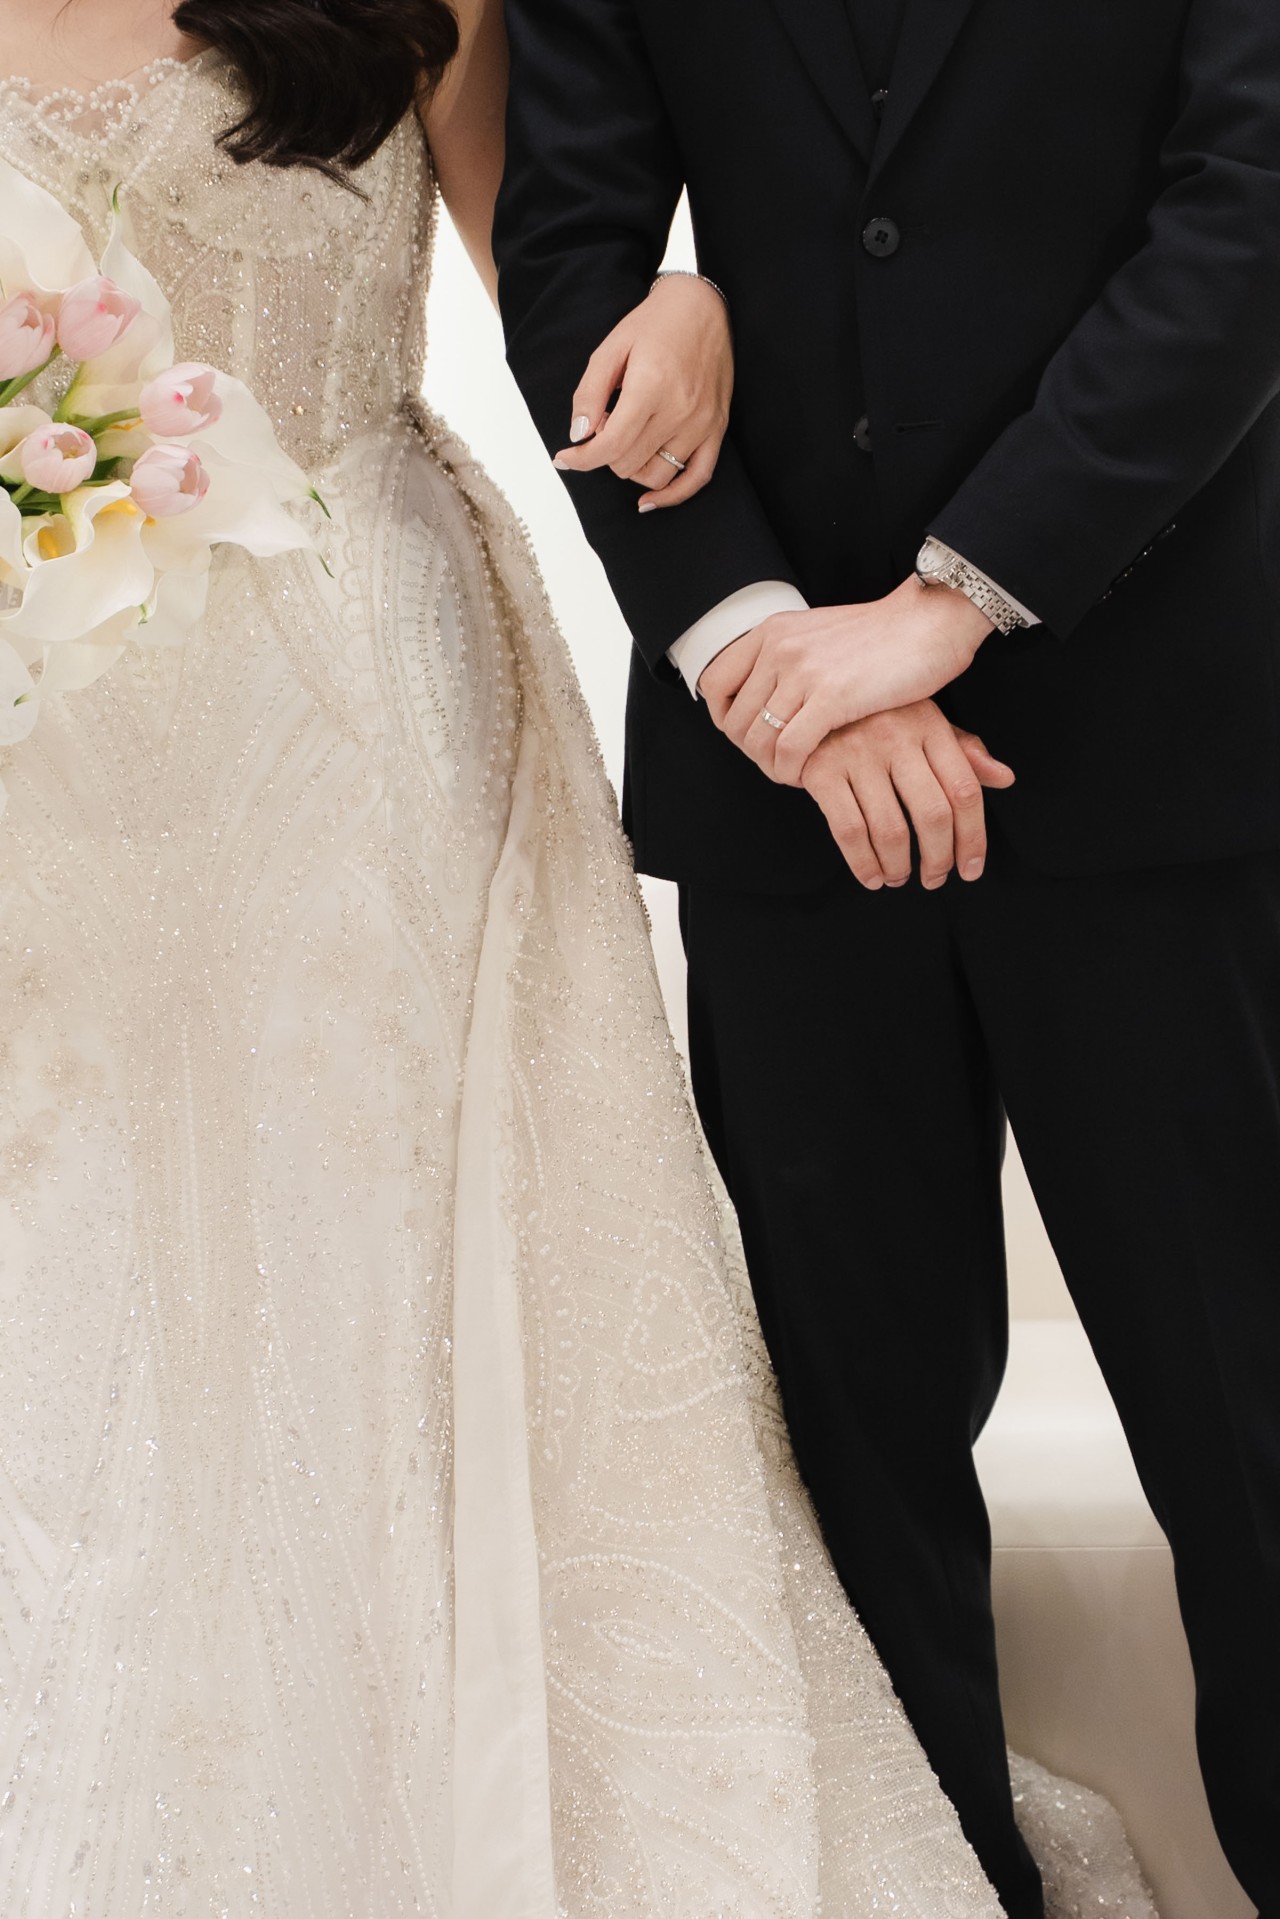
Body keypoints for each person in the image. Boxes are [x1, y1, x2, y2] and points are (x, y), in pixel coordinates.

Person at [0, 3, 1157, 1915]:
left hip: (350, 721)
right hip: (47, 766)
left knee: (385, 1270)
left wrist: (691, 301)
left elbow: (563, 279)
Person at [493, 3, 1280, 1917]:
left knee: (1247, 1422)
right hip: (783, 797)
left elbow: (1247, 213)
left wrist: (952, 602)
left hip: (1157, 751)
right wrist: (762, 646)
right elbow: (567, 251)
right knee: (847, 1448)